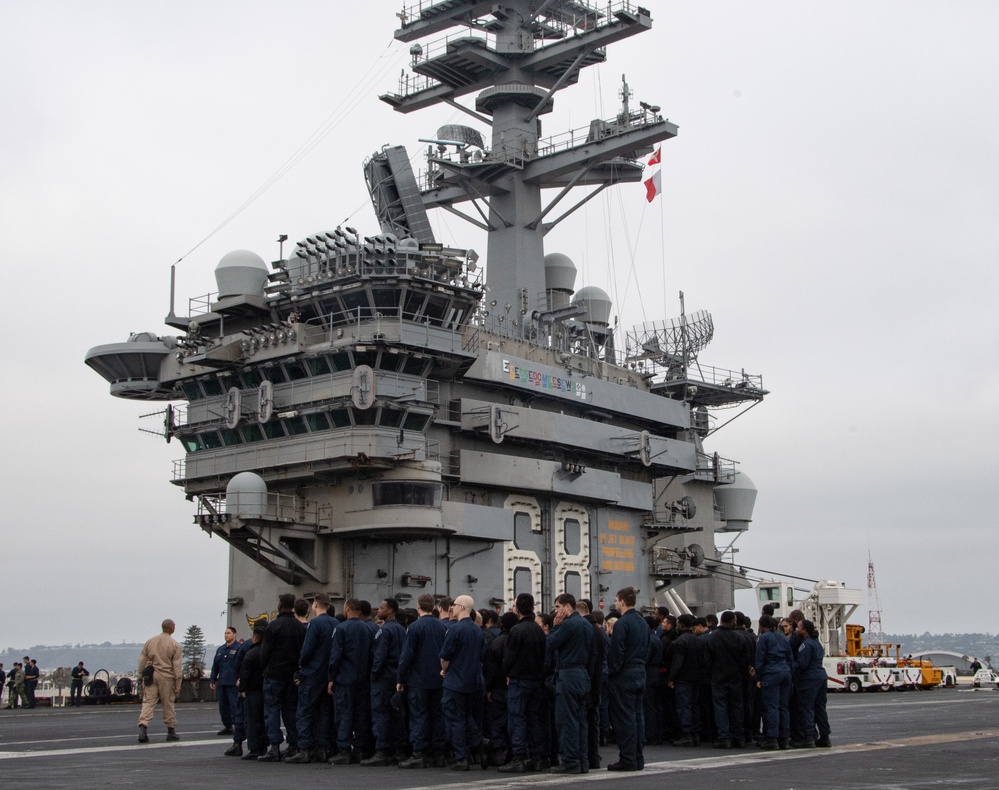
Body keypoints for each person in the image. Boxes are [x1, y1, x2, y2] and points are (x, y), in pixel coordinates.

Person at [397, 593, 449, 769]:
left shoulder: (414, 627)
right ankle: (439, 754)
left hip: (418, 680)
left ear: (419, 605)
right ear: (434, 606)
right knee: (437, 716)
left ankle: (419, 753)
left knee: (419, 716)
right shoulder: (442, 627)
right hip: (439, 679)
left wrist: (400, 678)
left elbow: (407, 656)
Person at [498, 592, 548, 773]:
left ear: (517, 608)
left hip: (519, 680)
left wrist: (506, 674)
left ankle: (519, 757)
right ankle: (537, 758)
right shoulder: (539, 630)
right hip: (536, 680)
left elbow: (508, 658)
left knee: (517, 719)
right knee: (534, 719)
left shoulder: (516, 631)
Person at [285, 593, 337, 764]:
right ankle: (322, 749)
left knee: (305, 712)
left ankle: (305, 749)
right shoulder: (335, 623)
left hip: (312, 673)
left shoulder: (314, 624)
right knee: (323, 713)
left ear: (315, 604)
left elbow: (307, 650)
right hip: (328, 675)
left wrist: (301, 664)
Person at [258, 593, 307, 762]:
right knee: (290, 711)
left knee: (272, 711)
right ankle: (293, 744)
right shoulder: (300, 627)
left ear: (280, 604)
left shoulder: (273, 626)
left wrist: (265, 669)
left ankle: (274, 746)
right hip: (292, 675)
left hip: (274, 674)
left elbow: (265, 653)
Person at [439, 593, 486, 771]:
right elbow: (482, 654)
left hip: (455, 680)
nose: (452, 607)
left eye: (455, 605)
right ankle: (480, 742)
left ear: (463, 608)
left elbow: (445, 655)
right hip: (473, 680)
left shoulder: (455, 629)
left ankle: (461, 758)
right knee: (467, 716)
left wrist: (444, 669)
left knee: (455, 718)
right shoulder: (477, 630)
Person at [549, 593, 594, 774]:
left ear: (568, 606)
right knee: (581, 721)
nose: (556, 611)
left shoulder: (567, 625)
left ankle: (570, 762)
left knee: (567, 721)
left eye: (558, 607)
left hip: (568, 674)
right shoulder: (586, 625)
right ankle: (582, 761)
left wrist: (554, 628)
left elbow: (551, 644)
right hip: (583, 674)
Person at [328, 598, 375, 764]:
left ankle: (344, 749)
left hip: (345, 678)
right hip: (363, 678)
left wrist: (331, 678)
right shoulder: (368, 629)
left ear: (347, 609)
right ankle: (360, 750)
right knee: (361, 714)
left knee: (344, 714)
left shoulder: (341, 629)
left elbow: (336, 656)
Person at [362, 597, 408, 766]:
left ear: (390, 611)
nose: (378, 610)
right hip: (395, 677)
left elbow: (379, 656)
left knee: (380, 714)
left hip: (382, 678)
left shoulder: (384, 631)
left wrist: (373, 674)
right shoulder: (401, 630)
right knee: (396, 715)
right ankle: (399, 750)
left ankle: (381, 750)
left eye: (381, 608)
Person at [606, 587, 647, 771]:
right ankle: (637, 757)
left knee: (625, 718)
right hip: (640, 672)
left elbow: (616, 653)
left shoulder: (622, 624)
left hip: (625, 675)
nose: (615, 603)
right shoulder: (642, 622)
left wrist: (612, 672)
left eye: (616, 599)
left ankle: (628, 758)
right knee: (638, 717)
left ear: (622, 601)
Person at [706, 610, 753, 749]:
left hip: (718, 677)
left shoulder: (713, 637)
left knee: (720, 708)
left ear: (721, 621)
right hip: (735, 677)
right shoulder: (740, 638)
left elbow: (707, 660)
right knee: (737, 708)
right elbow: (745, 661)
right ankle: (738, 737)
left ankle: (724, 738)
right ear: (734, 621)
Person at [137, 619, 183, 743]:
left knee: (148, 701)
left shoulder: (150, 641)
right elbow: (177, 667)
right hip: (167, 677)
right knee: (168, 703)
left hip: (151, 675)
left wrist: (141, 674)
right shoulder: (174, 644)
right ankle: (171, 731)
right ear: (172, 628)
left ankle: (143, 725)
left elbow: (142, 661)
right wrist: (178, 683)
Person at [755, 615, 793, 750]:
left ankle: (772, 738)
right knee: (783, 706)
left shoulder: (763, 638)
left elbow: (759, 659)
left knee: (772, 707)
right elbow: (790, 658)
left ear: (762, 626)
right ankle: (784, 738)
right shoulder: (783, 638)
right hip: (785, 672)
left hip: (771, 673)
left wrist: (758, 677)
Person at [792, 619, 831, 748]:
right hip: (821, 676)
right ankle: (825, 736)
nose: (796, 629)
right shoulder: (817, 643)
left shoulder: (806, 644)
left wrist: (790, 664)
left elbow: (802, 663)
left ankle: (808, 737)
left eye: (798, 627)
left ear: (804, 630)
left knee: (807, 707)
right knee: (820, 708)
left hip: (809, 678)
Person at [238, 624, 268, 760]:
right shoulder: (269, 652)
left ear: (255, 637)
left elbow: (245, 673)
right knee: (265, 719)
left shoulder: (251, 653)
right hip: (267, 689)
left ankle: (254, 748)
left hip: (253, 691)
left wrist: (243, 688)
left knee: (252, 720)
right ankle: (265, 746)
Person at [210, 626, 241, 737]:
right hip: (222, 682)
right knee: (223, 707)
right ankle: (227, 726)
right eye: (225, 633)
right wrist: (212, 679)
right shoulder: (221, 649)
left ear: (234, 634)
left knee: (234, 706)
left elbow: (242, 665)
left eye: (228, 633)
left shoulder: (239, 648)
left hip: (233, 683)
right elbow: (216, 666)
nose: (226, 635)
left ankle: (238, 727)